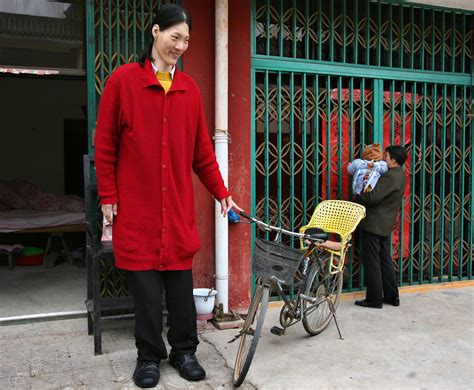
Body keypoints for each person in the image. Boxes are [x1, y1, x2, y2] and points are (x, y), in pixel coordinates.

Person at [94, 4, 241, 388]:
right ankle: (148, 357)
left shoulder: (189, 89)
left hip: (175, 212)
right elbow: (105, 145)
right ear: (156, 32)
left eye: (187, 40)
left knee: (179, 291)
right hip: (138, 212)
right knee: (144, 293)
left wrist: (222, 193)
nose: (181, 45)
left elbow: (202, 154)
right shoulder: (122, 82)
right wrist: (108, 195)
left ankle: (184, 350)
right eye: (175, 36)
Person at [354, 145, 407, 309]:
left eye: (387, 155)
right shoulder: (401, 175)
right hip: (384, 223)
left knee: (372, 262)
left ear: (394, 159)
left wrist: (358, 195)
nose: (384, 158)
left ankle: (374, 299)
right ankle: (392, 296)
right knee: (384, 260)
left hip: (374, 223)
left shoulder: (390, 176)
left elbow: (372, 198)